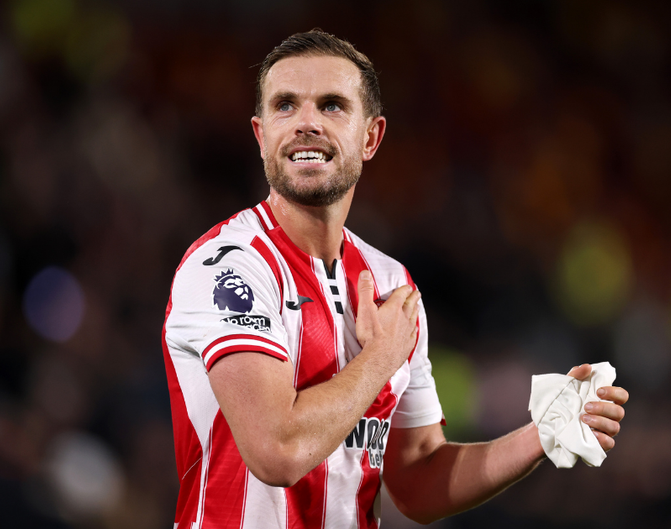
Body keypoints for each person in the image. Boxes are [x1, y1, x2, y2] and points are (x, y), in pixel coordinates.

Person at [161, 29, 629, 528]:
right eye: (285, 106)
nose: (306, 123)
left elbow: (419, 480)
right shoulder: (228, 267)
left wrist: (541, 435)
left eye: (332, 105)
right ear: (260, 136)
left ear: (370, 137)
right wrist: (382, 357)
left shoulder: (390, 282)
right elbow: (278, 451)